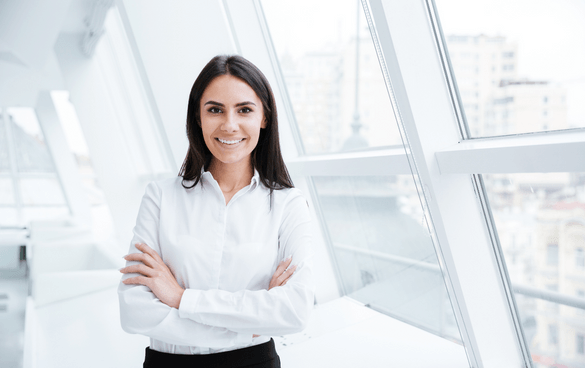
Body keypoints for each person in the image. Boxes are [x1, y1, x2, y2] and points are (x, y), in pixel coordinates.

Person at [117, 55, 314, 368]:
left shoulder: (288, 205)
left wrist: (180, 298)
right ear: (198, 117)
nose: (229, 125)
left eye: (244, 110)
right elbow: (134, 312)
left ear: (264, 117)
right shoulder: (160, 197)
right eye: (215, 110)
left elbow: (295, 311)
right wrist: (249, 325)